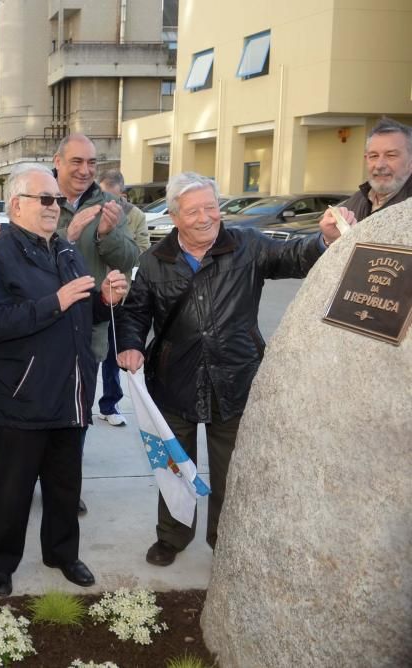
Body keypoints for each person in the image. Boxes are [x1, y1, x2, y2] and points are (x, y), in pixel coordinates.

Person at [116, 172, 342, 567]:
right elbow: (136, 312)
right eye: (193, 211)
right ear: (173, 215)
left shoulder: (246, 246)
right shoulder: (153, 262)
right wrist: (132, 345)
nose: (206, 217)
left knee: (231, 471)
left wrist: (324, 240)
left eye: (211, 207)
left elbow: (294, 257)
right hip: (173, 381)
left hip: (236, 377)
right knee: (174, 467)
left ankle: (225, 539)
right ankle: (172, 536)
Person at [0, 163, 128, 597]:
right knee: (12, 492)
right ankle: (1, 566)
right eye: (45, 199)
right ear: (16, 205)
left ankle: (62, 554)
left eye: (56, 200)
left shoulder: (64, 248)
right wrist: (53, 302)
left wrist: (104, 300)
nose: (53, 207)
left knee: (64, 487)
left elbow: (80, 312)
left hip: (70, 393)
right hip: (20, 398)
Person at [53, 134, 139, 514]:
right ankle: (25, 479)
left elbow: (129, 256)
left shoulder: (108, 205)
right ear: (57, 161)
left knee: (78, 414)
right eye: (76, 162)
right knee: (36, 409)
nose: (85, 170)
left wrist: (105, 234)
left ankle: (66, 487)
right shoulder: (38, 197)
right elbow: (20, 255)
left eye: (91, 163)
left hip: (89, 328)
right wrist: (67, 236)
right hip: (42, 325)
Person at [94, 169, 151, 428]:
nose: (107, 203)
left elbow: (142, 251)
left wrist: (117, 243)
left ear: (123, 195)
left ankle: (110, 404)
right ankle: (81, 403)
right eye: (102, 196)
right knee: (89, 351)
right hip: (92, 293)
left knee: (112, 353)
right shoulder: (91, 210)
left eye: (113, 198)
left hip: (119, 294)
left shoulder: (135, 216)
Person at [320, 117, 412, 230]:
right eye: (373, 156)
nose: (379, 165)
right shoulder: (354, 202)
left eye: (391, 155)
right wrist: (327, 241)